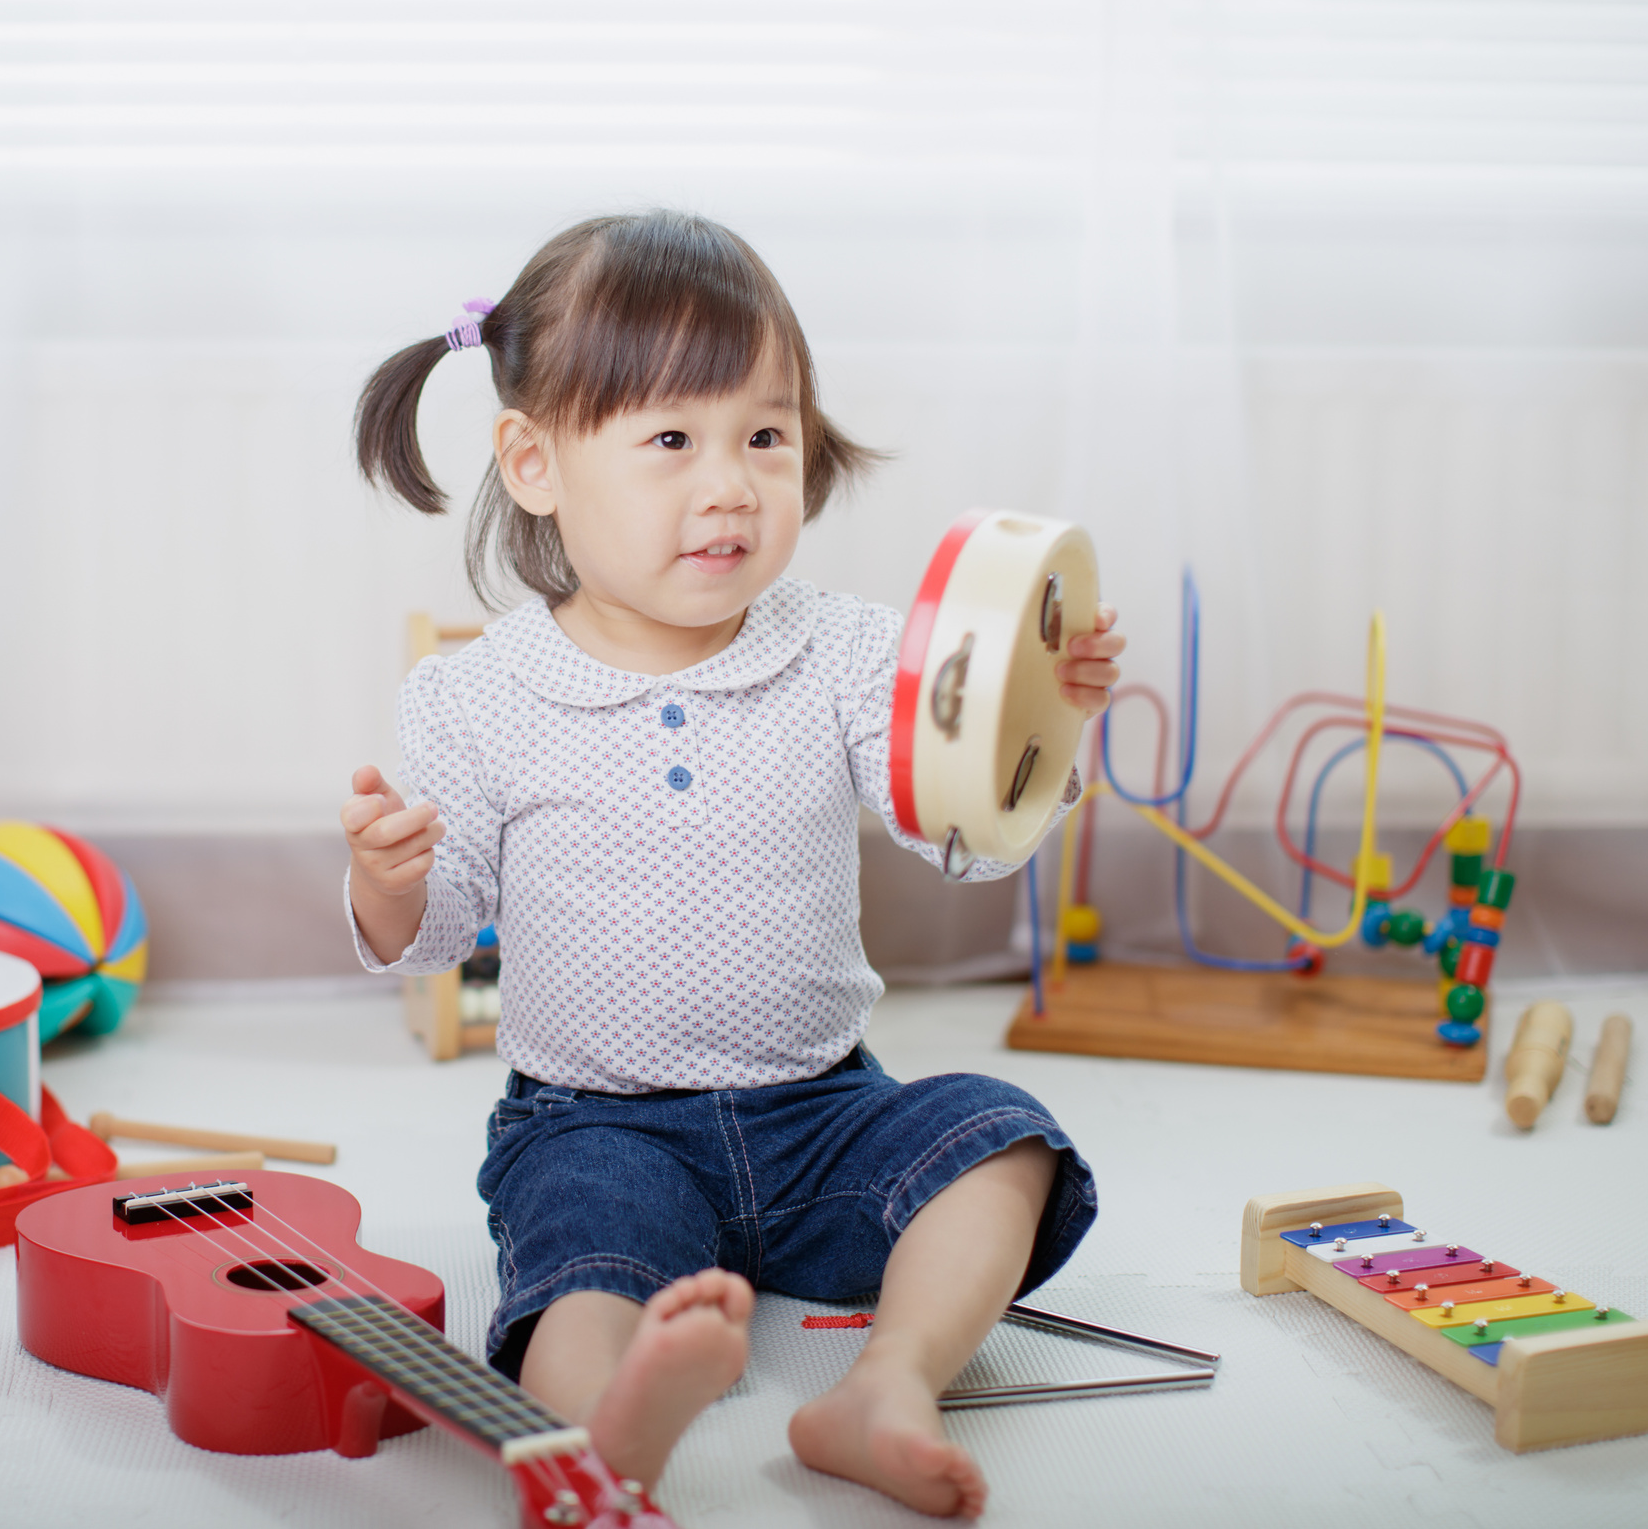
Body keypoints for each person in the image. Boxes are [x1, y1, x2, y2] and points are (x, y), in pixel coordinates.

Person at [339, 210, 1124, 1519]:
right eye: (670, 442)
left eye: (765, 436)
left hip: (822, 1114)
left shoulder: (845, 653)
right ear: (533, 463)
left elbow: (955, 841)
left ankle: (888, 1382)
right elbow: (437, 931)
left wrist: (1033, 719)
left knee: (1004, 1140)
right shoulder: (473, 699)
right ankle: (601, 1428)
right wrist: (387, 877)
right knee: (578, 1264)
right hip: (597, 1119)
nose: (730, 486)